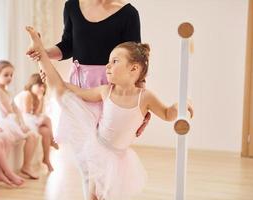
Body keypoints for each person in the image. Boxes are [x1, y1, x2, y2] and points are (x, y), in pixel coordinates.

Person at [26, 26, 194, 200]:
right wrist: (58, 82)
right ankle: (40, 55)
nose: (107, 65)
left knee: (106, 195)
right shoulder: (106, 91)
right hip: (97, 147)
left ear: (134, 69)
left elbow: (167, 114)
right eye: (109, 61)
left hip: (119, 157)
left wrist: (182, 104)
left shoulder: (145, 97)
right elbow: (76, 91)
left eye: (115, 61)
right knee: (60, 91)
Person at [26, 0, 150, 142]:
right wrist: (44, 53)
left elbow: (136, 60)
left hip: (111, 85)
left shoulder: (129, 13)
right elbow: (68, 45)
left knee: (105, 144)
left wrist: (141, 105)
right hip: (79, 82)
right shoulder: (71, 6)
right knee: (77, 141)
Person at [0, 59, 39, 179]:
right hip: (2, 122)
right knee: (11, 138)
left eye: (11, 75)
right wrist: (19, 124)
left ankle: (26, 166)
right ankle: (0, 171)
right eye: (6, 75)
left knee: (33, 135)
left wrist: (22, 122)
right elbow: (8, 111)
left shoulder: (7, 91)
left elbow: (16, 110)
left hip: (11, 120)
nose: (9, 78)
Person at [14, 73, 59, 172]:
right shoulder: (27, 94)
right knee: (47, 119)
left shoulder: (36, 96)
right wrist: (40, 99)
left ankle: (46, 159)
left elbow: (38, 113)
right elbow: (28, 113)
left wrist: (41, 98)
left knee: (46, 131)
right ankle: (52, 140)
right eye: (39, 85)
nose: (41, 88)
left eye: (43, 86)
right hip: (23, 120)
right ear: (32, 84)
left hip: (30, 119)